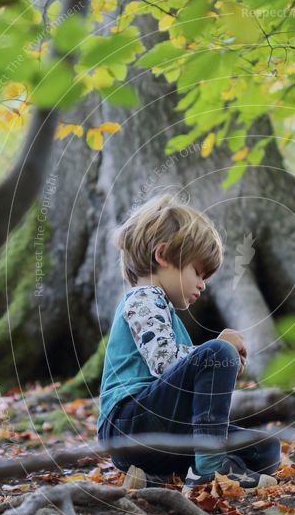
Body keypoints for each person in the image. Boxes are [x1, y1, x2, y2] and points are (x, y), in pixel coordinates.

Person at [96, 193, 280, 494]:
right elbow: (165, 362)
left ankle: (159, 475)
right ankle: (209, 473)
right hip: (128, 426)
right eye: (197, 271)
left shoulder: (166, 312)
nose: (202, 284)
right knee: (218, 351)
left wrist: (221, 365)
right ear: (163, 255)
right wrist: (219, 351)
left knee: (265, 449)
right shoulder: (144, 298)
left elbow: (183, 382)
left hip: (163, 432)